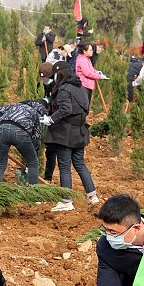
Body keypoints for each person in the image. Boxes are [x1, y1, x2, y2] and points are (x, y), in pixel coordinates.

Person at [38, 61, 98, 212]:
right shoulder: (81, 87)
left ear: (60, 74)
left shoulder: (64, 88)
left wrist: (51, 119)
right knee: (79, 164)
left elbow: (66, 108)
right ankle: (92, 196)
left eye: (55, 75)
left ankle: (66, 201)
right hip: (80, 131)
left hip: (65, 133)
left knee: (64, 167)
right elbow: (85, 109)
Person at [0, 100, 44, 184]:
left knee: (0, 164)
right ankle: (33, 190)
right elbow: (36, 137)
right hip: (20, 132)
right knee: (33, 163)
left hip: (2, 129)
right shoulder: (35, 113)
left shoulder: (13, 106)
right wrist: (30, 161)